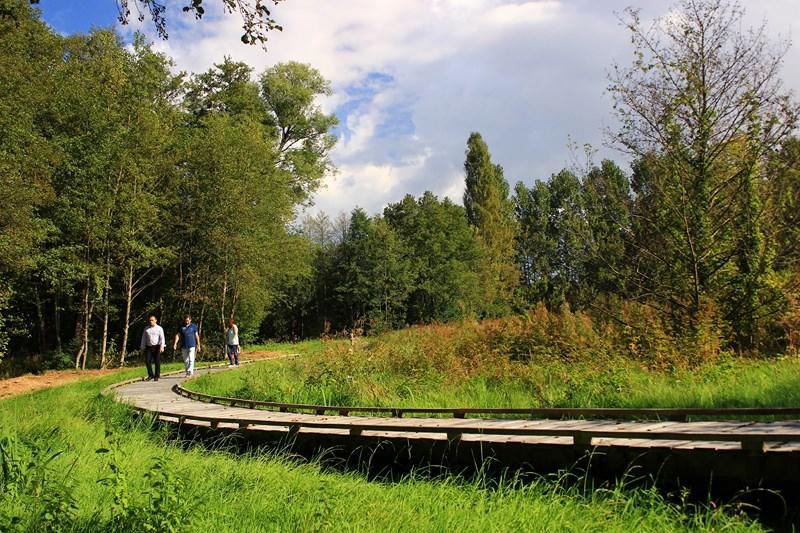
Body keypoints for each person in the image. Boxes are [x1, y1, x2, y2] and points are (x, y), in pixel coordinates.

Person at [140, 315, 165, 381]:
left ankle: (157, 375)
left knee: (157, 361)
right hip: (148, 347)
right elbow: (143, 338)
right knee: (147, 361)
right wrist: (142, 347)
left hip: (157, 346)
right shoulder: (146, 329)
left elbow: (162, 338)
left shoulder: (159, 328)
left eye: (152, 320)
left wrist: (162, 346)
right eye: (150, 320)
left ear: (155, 320)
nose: (151, 321)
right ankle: (150, 375)